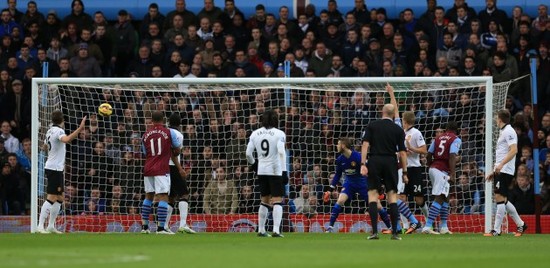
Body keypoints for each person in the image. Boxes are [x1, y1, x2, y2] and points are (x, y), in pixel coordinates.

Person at [325, 137, 393, 233]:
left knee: (378, 205)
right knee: (340, 200)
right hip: (349, 183)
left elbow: (369, 171)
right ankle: (330, 227)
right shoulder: (340, 159)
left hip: (362, 183)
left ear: (343, 146)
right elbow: (337, 175)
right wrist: (330, 189)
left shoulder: (357, 157)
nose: (337, 146)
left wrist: (378, 186)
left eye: (338, 144)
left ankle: (390, 227)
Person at [361, 102, 408, 240]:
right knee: (392, 196)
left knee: (373, 195)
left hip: (375, 161)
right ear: (393, 115)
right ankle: (394, 233)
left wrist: (363, 164)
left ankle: (375, 232)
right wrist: (405, 172)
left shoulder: (372, 125)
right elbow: (403, 153)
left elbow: (365, 145)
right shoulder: (398, 129)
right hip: (390, 162)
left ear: (382, 112)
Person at [36, 110, 86, 233]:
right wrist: (80, 128)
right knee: (52, 196)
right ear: (62, 121)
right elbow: (66, 139)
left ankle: (51, 226)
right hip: (54, 168)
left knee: (60, 197)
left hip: (53, 167)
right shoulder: (59, 131)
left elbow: (45, 147)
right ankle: (40, 226)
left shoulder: (49, 131)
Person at [386, 84, 425, 234]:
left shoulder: (403, 131)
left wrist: (392, 93)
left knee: (397, 197)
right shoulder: (399, 129)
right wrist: (392, 93)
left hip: (404, 167)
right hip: (397, 167)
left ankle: (413, 223)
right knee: (396, 196)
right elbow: (395, 109)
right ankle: (401, 226)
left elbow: (395, 110)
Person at [484, 110, 527, 236]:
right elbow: (503, 153)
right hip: (501, 169)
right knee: (503, 200)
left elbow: (514, 150)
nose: (496, 121)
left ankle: (496, 230)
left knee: (499, 198)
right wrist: (494, 170)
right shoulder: (504, 131)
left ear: (500, 119)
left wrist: (501, 165)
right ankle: (521, 225)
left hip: (505, 170)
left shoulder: (509, 131)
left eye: (496, 118)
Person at [246, 109, 286, 237]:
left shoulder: (255, 133)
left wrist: (254, 164)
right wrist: (284, 171)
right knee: (277, 200)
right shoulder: (279, 133)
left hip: (261, 170)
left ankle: (262, 230)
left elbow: (247, 154)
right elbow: (281, 151)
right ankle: (276, 230)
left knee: (264, 200)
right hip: (275, 170)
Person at [141, 111, 180, 235]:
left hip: (148, 167)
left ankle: (145, 227)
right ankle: (161, 229)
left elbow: (145, 152)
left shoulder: (145, 134)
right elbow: (177, 148)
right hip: (162, 168)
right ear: (163, 120)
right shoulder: (169, 132)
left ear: (151, 121)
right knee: (163, 196)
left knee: (148, 196)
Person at [422, 121, 461, 235]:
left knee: (445, 197)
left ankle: (444, 227)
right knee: (439, 197)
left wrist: (430, 165)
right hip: (442, 171)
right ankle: (428, 226)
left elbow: (429, 154)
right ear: (456, 130)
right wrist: (453, 173)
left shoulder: (438, 138)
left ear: (446, 129)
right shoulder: (456, 139)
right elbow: (452, 155)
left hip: (433, 169)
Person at [165, 113, 196, 234]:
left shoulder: (164, 132)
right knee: (184, 194)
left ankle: (165, 226)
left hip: (163, 167)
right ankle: (183, 224)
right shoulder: (177, 134)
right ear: (179, 124)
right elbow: (174, 153)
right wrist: (180, 168)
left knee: (171, 197)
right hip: (173, 167)